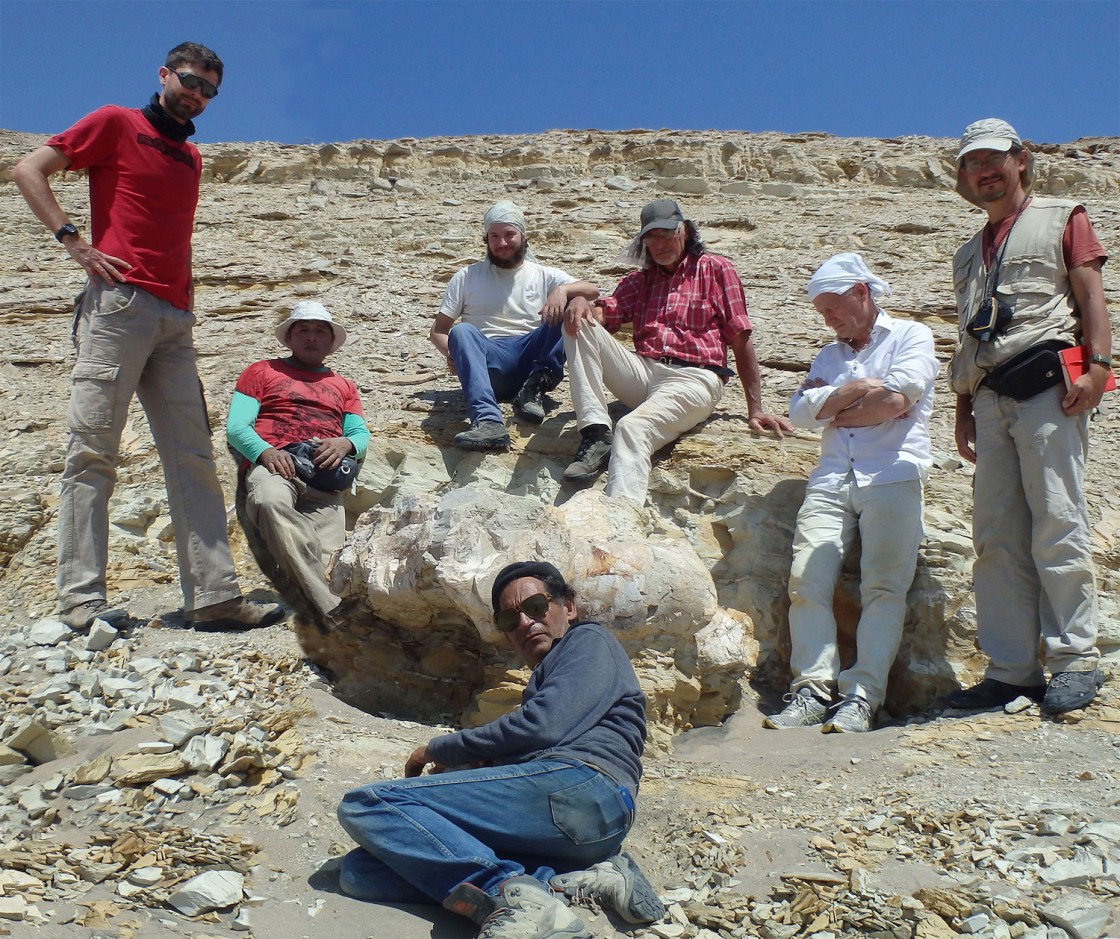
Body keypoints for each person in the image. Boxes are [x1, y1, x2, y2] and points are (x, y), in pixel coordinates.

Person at [11, 42, 283, 632]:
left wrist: (186, 301)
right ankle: (80, 601)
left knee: (193, 456)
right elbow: (27, 168)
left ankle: (212, 596)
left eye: (209, 90)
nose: (197, 95)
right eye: (190, 81)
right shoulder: (116, 122)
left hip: (174, 319)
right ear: (164, 74)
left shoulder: (190, 157)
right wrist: (72, 240)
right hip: (120, 306)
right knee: (92, 451)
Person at [336, 561, 664, 939]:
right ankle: (586, 879)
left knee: (369, 804)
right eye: (509, 620)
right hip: (573, 825)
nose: (524, 622)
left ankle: (514, 898)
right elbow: (542, 740)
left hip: (587, 788)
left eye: (536, 607)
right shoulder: (551, 673)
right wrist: (484, 763)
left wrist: (440, 750)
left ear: (568, 607)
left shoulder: (589, 641)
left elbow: (544, 726)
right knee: (362, 872)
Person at [943, 119, 1111, 717]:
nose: (984, 171)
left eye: (993, 159)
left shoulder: (1064, 216)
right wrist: (963, 405)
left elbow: (1091, 293)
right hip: (989, 399)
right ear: (963, 177)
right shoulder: (968, 253)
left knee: (1058, 520)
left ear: (1021, 159)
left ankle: (1074, 659)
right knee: (995, 536)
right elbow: (968, 333)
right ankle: (1011, 670)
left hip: (1048, 388)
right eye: (972, 163)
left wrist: (1100, 369)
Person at [764, 254, 937, 734]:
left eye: (834, 307)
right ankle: (812, 689)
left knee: (885, 587)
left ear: (861, 293)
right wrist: (855, 389)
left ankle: (862, 697)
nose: (829, 319)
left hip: (893, 475)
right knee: (806, 581)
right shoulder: (829, 356)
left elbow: (899, 399)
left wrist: (830, 406)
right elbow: (799, 414)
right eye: (822, 312)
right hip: (833, 476)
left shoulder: (911, 337)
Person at [561, 199, 792, 503]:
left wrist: (756, 409)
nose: (660, 244)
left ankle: (621, 517)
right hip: (644, 372)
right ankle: (595, 431)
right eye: (652, 237)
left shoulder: (716, 269)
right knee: (578, 322)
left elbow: (740, 337)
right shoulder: (640, 281)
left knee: (632, 427)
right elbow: (608, 312)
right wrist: (580, 303)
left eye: (667, 234)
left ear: (685, 230)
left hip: (694, 379)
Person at [226, 302, 369, 627]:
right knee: (269, 501)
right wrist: (266, 453)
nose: (311, 337)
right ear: (289, 337)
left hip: (325, 473)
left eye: (320, 331)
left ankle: (331, 614)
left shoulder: (343, 385)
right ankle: (336, 616)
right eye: (303, 330)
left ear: (331, 341)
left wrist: (345, 443)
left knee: (333, 561)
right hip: (278, 462)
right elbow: (236, 427)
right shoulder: (261, 371)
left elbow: (359, 433)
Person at [430, 202, 599, 450]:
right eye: (494, 236)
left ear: (523, 235)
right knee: (462, 331)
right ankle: (488, 422)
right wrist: (455, 352)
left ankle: (534, 389)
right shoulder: (467, 277)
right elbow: (439, 330)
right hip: (488, 362)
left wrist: (563, 291)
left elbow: (592, 289)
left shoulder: (544, 275)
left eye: (509, 235)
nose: (502, 243)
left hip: (531, 358)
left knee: (571, 306)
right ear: (486, 239)